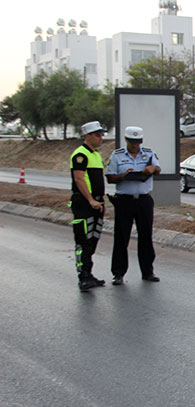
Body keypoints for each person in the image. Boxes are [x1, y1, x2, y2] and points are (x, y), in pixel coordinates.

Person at [105, 126, 161, 285]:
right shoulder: (117, 156)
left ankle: (147, 272)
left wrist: (152, 168)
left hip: (144, 200)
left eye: (139, 142)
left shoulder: (149, 153)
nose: (136, 145)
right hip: (124, 201)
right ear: (126, 140)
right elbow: (110, 177)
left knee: (146, 236)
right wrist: (122, 176)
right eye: (133, 142)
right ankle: (118, 273)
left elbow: (158, 168)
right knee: (121, 237)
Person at [70, 121, 108, 291]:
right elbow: (79, 179)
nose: (101, 138)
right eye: (97, 135)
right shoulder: (80, 155)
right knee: (83, 240)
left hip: (98, 203)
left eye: (101, 135)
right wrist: (91, 199)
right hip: (84, 203)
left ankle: (89, 272)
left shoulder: (96, 155)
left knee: (93, 239)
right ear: (87, 136)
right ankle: (83, 276)